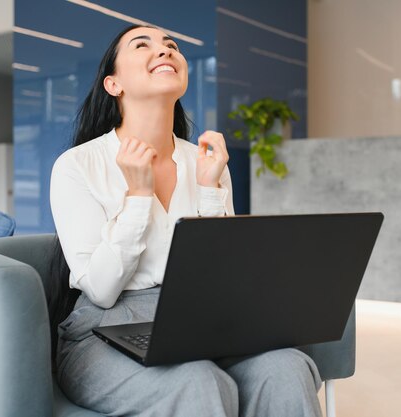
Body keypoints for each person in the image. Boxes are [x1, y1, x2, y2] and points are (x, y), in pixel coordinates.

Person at [49, 24, 323, 417]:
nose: (165, 51)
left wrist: (211, 190)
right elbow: (103, 290)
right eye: (143, 45)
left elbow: (225, 277)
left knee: (286, 368)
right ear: (113, 84)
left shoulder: (207, 161)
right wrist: (139, 197)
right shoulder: (77, 165)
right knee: (196, 380)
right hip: (105, 328)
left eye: (172, 46)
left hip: (202, 321)